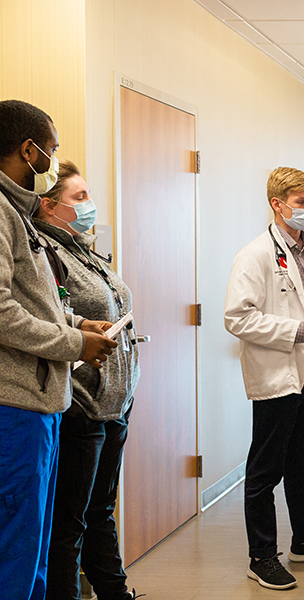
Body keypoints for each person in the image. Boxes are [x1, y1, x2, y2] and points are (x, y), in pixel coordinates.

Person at [0, 100, 117, 600]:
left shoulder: (17, 214)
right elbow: (2, 313)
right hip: (16, 406)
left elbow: (36, 302)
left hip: (42, 402)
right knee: (18, 543)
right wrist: (74, 342)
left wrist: (76, 322)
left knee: (38, 541)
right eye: (50, 150)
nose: (51, 159)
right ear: (28, 150)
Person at [224, 167, 304, 590]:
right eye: (300, 202)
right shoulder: (254, 254)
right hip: (278, 370)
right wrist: (296, 332)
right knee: (264, 469)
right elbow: (236, 318)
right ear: (277, 204)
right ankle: (261, 557)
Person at [33, 161, 141, 600]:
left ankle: (115, 592)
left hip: (115, 401)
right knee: (69, 522)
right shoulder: (43, 254)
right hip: (80, 404)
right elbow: (53, 322)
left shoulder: (84, 250)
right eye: (79, 198)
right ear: (48, 206)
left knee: (101, 511)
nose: (89, 205)